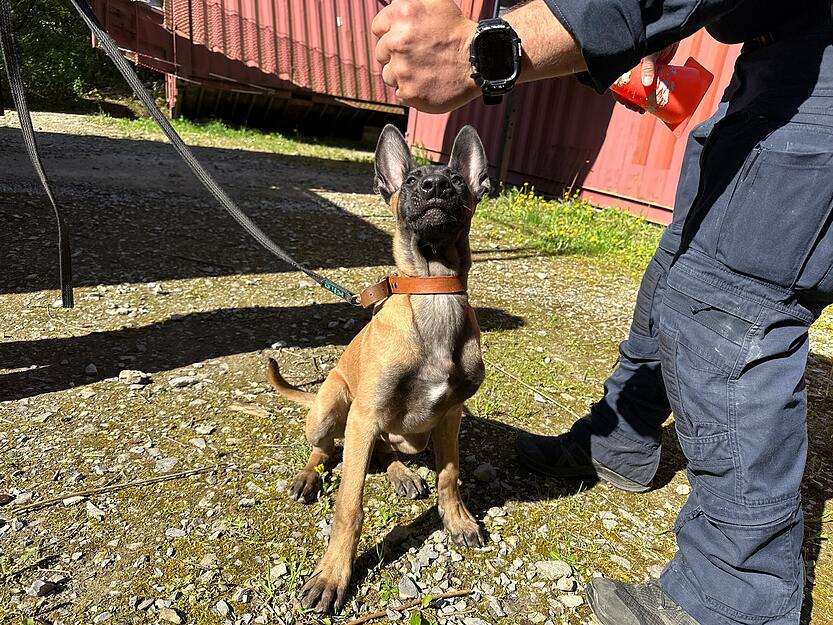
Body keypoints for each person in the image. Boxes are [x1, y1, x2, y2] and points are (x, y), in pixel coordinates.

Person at [372, 1, 833, 624]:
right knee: (682, 263)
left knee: (731, 300)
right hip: (773, 61)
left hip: (820, 67)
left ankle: (735, 597)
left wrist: (483, 50)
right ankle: (622, 440)